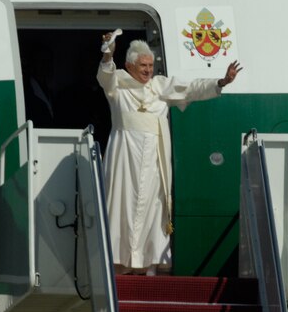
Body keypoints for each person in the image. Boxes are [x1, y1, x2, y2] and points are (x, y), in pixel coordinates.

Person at [98, 34, 242, 274]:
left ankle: (148, 264)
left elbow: (192, 89)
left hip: (155, 163)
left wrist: (221, 82)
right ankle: (118, 264)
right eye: (143, 66)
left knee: (152, 209)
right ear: (130, 66)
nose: (148, 70)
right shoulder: (118, 85)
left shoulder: (160, 87)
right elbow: (105, 73)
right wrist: (107, 52)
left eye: (150, 66)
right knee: (121, 206)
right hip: (125, 160)